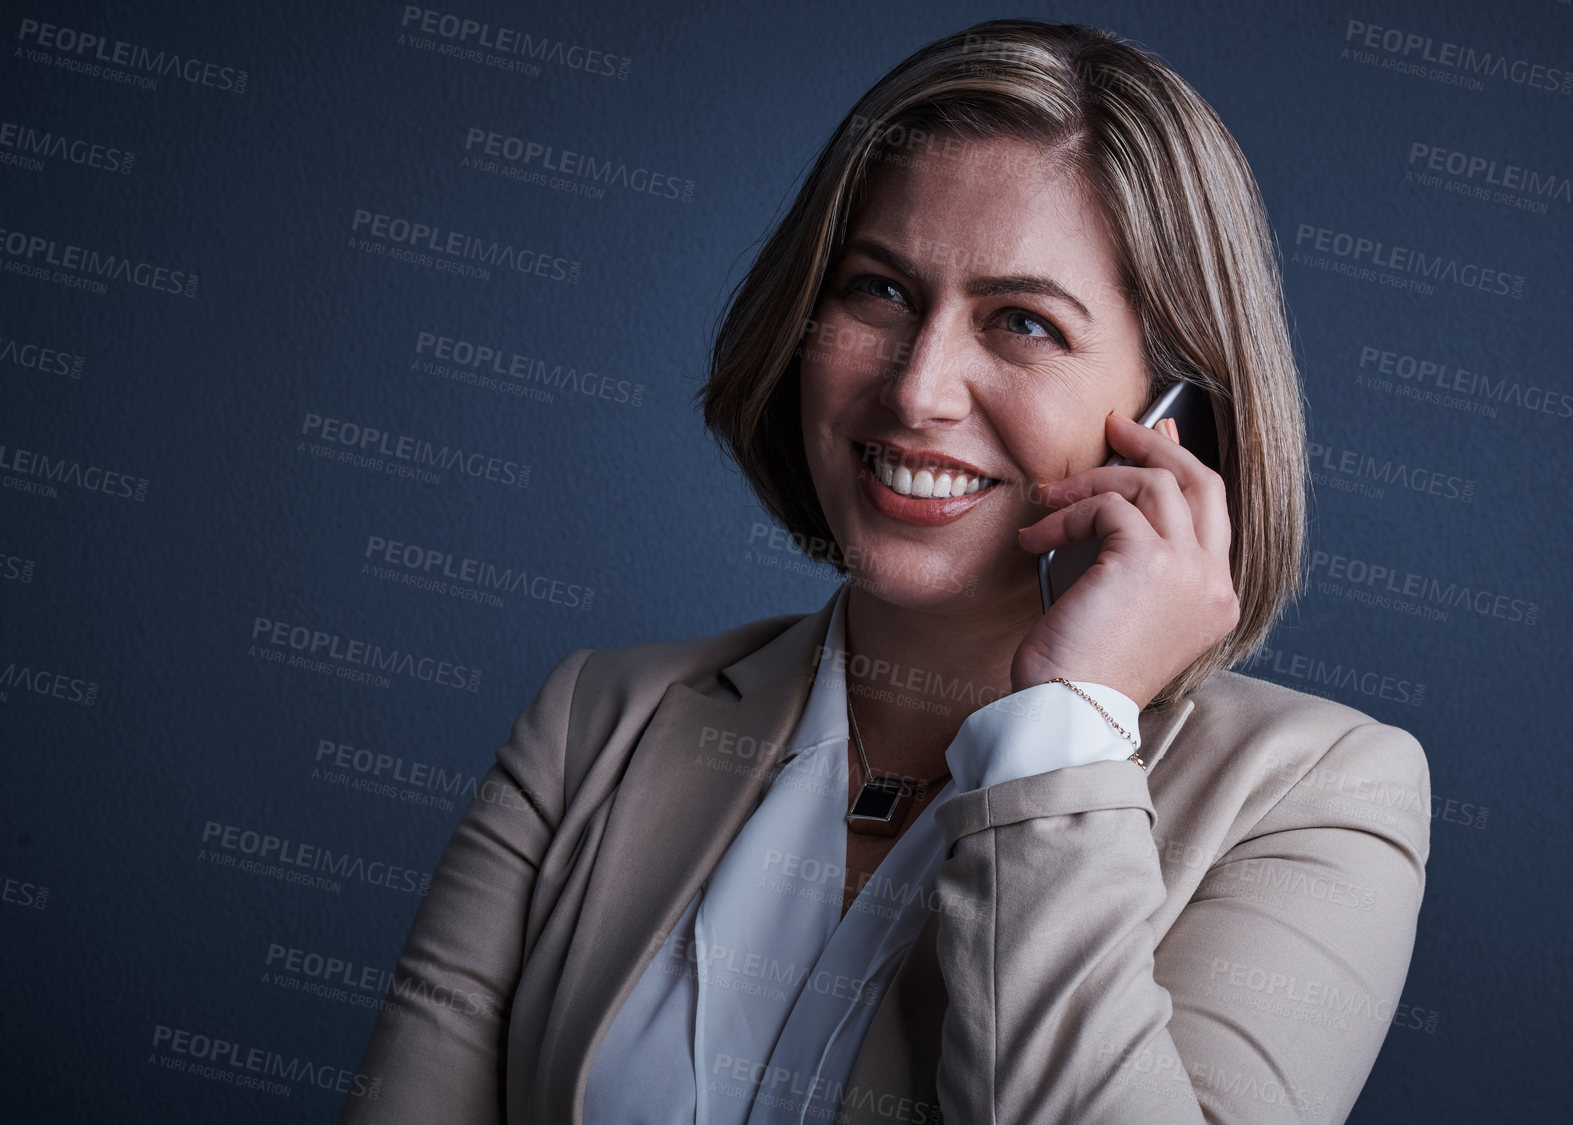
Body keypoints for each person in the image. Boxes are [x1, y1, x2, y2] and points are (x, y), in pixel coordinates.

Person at [340, 18, 1431, 1125]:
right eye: (882, 293)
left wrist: (1067, 724)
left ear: (1172, 424)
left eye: (1023, 323)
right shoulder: (594, 725)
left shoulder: (1317, 798)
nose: (919, 392)